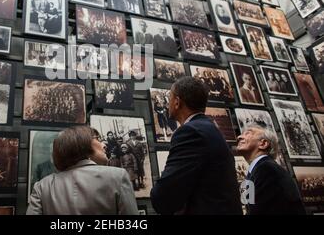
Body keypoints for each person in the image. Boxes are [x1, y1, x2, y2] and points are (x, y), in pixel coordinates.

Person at [150, 76, 242, 214]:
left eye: (169, 99)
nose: (167, 103)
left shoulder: (190, 132)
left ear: (176, 102)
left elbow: (163, 196)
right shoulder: (208, 128)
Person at [26, 126, 139, 215]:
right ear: (81, 144)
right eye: (97, 139)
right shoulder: (118, 177)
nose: (103, 145)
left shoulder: (42, 186)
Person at [236, 125, 306, 214]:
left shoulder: (267, 170)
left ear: (263, 144)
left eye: (248, 133)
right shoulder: (260, 169)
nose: (239, 137)